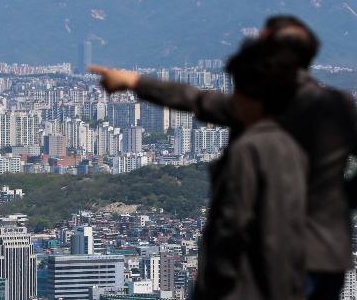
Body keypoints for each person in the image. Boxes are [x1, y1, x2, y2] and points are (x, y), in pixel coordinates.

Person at [88, 15, 357, 300]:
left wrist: (134, 81)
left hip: (267, 260)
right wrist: (339, 201)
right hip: (327, 250)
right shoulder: (337, 106)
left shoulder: (258, 104)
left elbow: (199, 101)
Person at [193, 39, 306, 300]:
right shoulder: (293, 143)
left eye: (237, 91)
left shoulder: (248, 149)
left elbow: (232, 221)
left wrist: (215, 277)